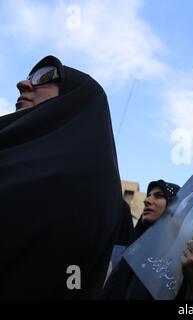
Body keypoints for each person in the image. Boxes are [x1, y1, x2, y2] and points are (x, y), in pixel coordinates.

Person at [0, 55, 133, 299]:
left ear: (76, 99)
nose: (23, 84)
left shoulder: (82, 188)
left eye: (45, 77)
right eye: (30, 77)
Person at [101, 180, 193, 300]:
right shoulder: (135, 250)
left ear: (174, 205)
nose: (147, 200)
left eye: (158, 196)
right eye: (148, 196)